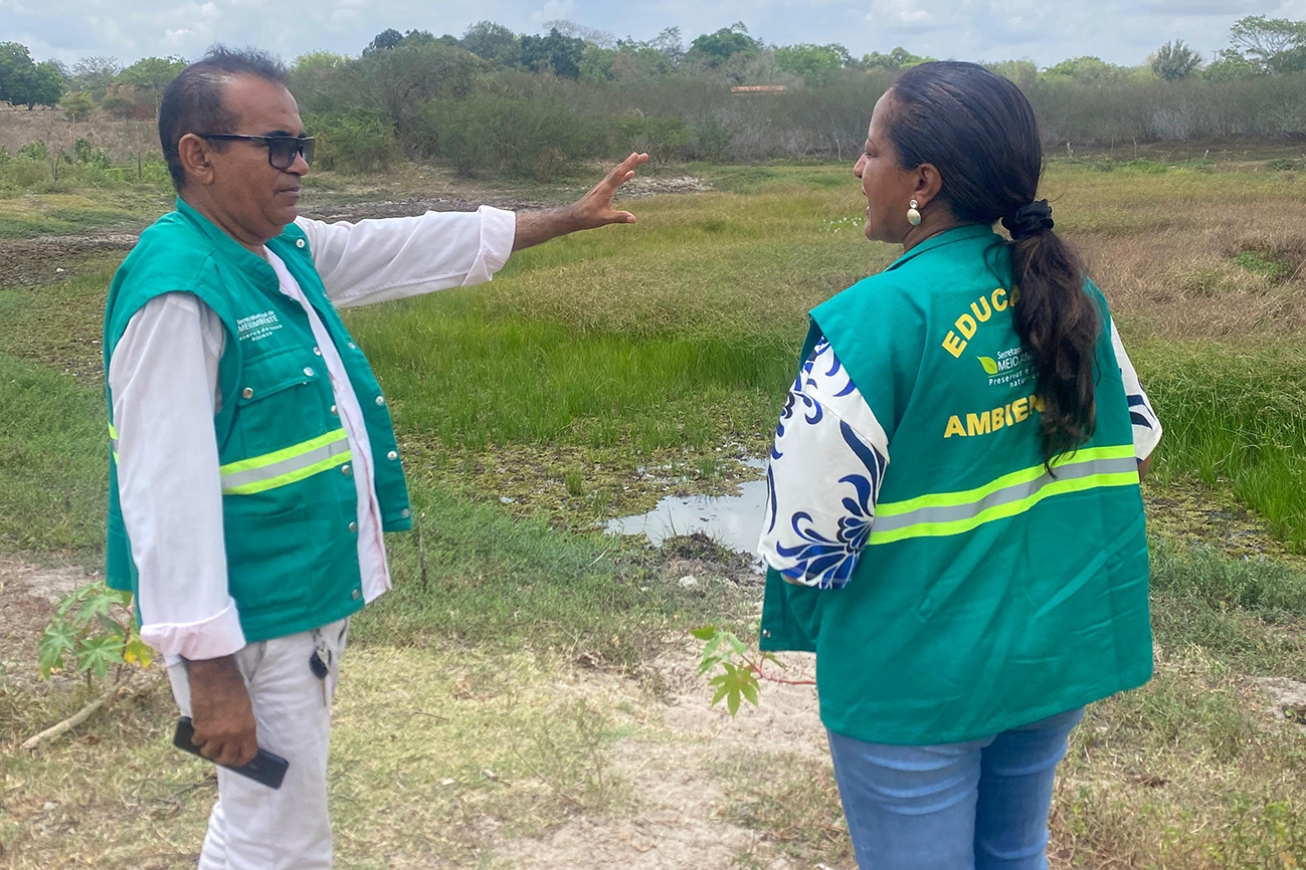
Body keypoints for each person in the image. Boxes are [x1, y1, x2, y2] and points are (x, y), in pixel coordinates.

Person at [102, 46, 648, 870]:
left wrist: (564, 220)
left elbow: (413, 245)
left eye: (304, 144)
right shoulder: (180, 292)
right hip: (254, 620)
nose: (300, 165)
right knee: (280, 838)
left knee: (262, 820)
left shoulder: (275, 250)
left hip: (299, 601)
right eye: (276, 147)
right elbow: (161, 496)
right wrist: (209, 675)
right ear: (198, 155)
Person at [756, 61, 1162, 870]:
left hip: (917, 680)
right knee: (1013, 856)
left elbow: (805, 538)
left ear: (923, 181)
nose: (858, 169)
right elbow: (1136, 442)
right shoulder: (1073, 294)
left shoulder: (873, 320)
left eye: (871, 152)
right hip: (1049, 654)